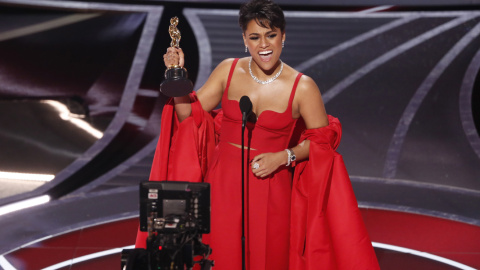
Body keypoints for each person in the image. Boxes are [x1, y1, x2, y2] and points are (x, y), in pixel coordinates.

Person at [136, 0, 380, 269]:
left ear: (283, 36)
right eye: (255, 37)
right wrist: (176, 75)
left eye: (271, 35)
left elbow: (323, 140)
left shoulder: (303, 87)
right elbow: (189, 118)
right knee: (221, 255)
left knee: (269, 258)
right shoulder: (228, 70)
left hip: (272, 187)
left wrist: (284, 157)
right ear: (245, 39)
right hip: (223, 183)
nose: (264, 45)